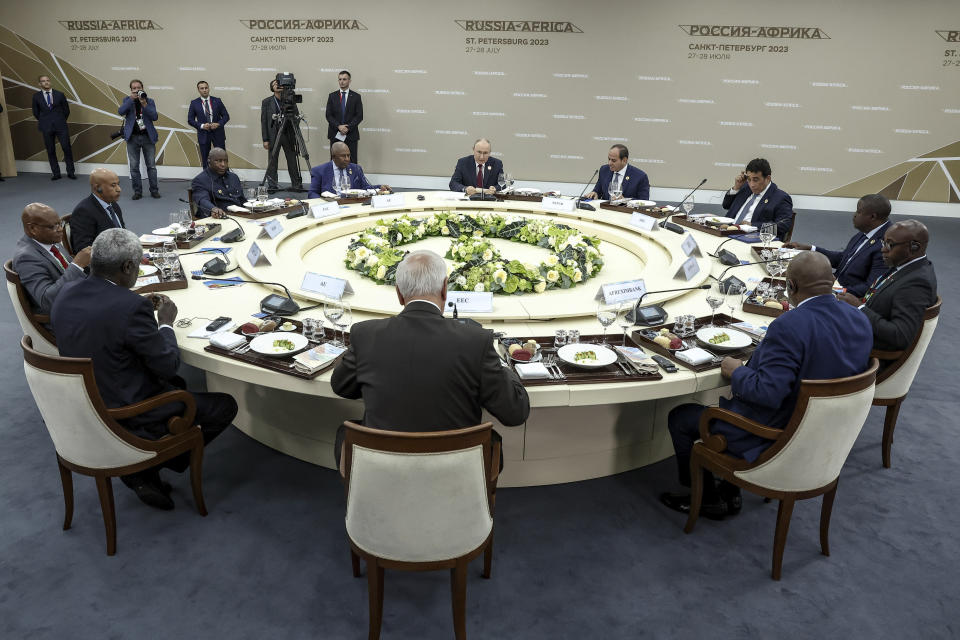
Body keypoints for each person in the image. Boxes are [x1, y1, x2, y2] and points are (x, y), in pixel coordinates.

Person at [660, 252, 873, 520]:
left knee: (681, 417)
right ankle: (729, 488)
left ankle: (707, 498)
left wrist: (736, 372)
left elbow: (767, 394)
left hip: (774, 433)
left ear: (791, 287)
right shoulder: (859, 318)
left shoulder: (789, 325)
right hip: (825, 432)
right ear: (832, 281)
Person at [51, 229, 237, 510]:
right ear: (127, 266)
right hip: (127, 409)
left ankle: (143, 467)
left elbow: (103, 323)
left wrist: (133, 310)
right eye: (137, 265)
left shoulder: (66, 292)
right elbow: (167, 365)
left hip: (85, 401)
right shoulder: (131, 307)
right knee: (224, 405)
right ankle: (146, 464)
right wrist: (164, 323)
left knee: (178, 385)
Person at [330, 249, 530, 467]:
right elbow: (515, 412)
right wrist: (501, 364)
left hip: (383, 468)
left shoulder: (366, 335)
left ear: (399, 293)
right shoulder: (476, 342)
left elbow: (341, 386)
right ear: (445, 288)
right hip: (457, 471)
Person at [838, 220, 937, 354]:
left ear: (915, 247)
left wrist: (859, 308)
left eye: (890, 245)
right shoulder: (904, 265)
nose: (883, 249)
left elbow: (900, 335)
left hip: (862, 349)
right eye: (883, 243)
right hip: (861, 328)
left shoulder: (917, 283)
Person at [785, 194, 891, 298]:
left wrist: (833, 291)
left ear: (872, 216)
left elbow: (870, 288)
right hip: (833, 285)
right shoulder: (866, 232)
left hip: (846, 297)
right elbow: (843, 259)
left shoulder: (885, 244)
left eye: (858, 211)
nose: (854, 215)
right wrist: (811, 249)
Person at [12, 203, 90, 319]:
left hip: (78, 300)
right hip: (64, 318)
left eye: (60, 223)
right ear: (33, 228)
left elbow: (67, 272)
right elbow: (47, 301)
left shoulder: (49, 241)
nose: (60, 230)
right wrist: (77, 265)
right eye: (52, 227)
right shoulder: (26, 258)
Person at [721, 158, 793, 240]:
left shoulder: (780, 197)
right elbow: (726, 205)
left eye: (755, 180)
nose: (752, 185)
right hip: (726, 233)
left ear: (768, 178)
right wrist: (736, 187)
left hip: (750, 238)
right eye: (749, 179)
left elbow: (783, 225)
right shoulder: (745, 187)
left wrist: (753, 225)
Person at [118, 79, 160, 200]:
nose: (136, 90)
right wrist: (131, 99)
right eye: (134, 88)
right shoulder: (127, 100)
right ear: (131, 90)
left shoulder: (149, 101)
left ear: (143, 88)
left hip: (148, 137)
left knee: (151, 166)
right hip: (132, 138)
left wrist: (144, 104)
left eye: (138, 88)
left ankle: (154, 190)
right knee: (134, 167)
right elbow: (121, 111)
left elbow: (155, 117)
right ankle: (137, 192)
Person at [260, 78, 303, 193]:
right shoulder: (266, 102)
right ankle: (272, 185)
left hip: (288, 135)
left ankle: (296, 185)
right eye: (275, 84)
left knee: (292, 161)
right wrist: (265, 139)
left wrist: (291, 123)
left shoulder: (290, 100)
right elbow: (264, 122)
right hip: (273, 136)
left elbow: (296, 117)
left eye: (279, 84)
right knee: (272, 161)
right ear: (272, 88)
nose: (278, 85)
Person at [308, 141, 390, 198]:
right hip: (331, 206)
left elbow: (365, 188)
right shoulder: (319, 171)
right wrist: (323, 204)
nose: (347, 159)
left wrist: (380, 187)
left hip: (352, 205)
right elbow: (312, 193)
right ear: (333, 157)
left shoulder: (356, 168)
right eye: (343, 156)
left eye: (348, 155)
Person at [70, 168, 125, 252]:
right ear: (97, 187)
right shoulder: (83, 212)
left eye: (118, 184)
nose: (119, 189)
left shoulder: (113, 204)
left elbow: (122, 233)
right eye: (113, 185)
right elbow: (84, 249)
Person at [31, 75, 75, 181]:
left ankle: (70, 172)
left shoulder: (60, 94)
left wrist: (60, 120)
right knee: (50, 150)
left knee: (66, 148)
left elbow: (66, 111)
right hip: (46, 127)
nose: (46, 82)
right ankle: (56, 173)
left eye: (47, 80)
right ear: (39, 84)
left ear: (50, 82)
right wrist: (45, 121)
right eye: (43, 81)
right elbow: (36, 113)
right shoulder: (36, 96)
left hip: (61, 126)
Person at [187, 80, 230, 169]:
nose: (204, 90)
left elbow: (226, 116)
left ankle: (224, 179)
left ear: (209, 88)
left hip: (218, 133)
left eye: (206, 88)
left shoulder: (217, 101)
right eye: (202, 88)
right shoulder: (194, 103)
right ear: (198, 90)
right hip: (203, 134)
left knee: (221, 157)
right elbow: (190, 120)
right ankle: (207, 181)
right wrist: (202, 126)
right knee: (206, 159)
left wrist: (218, 124)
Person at [585, 144, 649, 201]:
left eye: (613, 160)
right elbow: (598, 191)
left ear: (624, 160)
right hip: (605, 211)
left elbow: (644, 201)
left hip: (626, 212)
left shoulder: (640, 176)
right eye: (609, 159)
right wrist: (594, 193)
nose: (609, 163)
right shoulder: (604, 170)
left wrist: (625, 200)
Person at [190, 148, 241, 219]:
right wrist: (213, 209)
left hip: (240, 216)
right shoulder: (200, 180)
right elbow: (202, 199)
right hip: (218, 218)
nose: (223, 164)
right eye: (219, 161)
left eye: (225, 161)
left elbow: (242, 200)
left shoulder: (233, 177)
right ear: (209, 161)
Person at [325, 70, 363, 164]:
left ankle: (352, 179)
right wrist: (339, 126)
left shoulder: (356, 96)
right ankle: (335, 179)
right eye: (340, 79)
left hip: (351, 134)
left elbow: (359, 116)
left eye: (344, 79)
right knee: (335, 161)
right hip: (335, 133)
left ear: (349, 81)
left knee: (352, 161)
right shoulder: (332, 96)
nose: (341, 81)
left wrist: (348, 127)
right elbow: (328, 115)